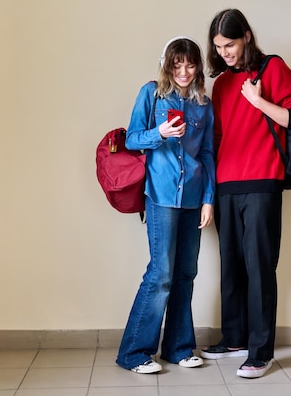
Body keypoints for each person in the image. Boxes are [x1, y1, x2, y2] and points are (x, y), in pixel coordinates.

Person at [200, 9, 291, 379]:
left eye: (229, 44)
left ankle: (260, 352)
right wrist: (210, 192)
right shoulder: (221, 84)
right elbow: (216, 141)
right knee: (231, 265)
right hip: (227, 184)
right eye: (218, 47)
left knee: (259, 267)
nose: (225, 52)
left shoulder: (272, 68)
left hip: (263, 181)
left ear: (246, 36)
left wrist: (259, 101)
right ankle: (235, 339)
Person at [115, 36, 216, 374]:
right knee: (161, 274)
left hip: (193, 196)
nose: (184, 71)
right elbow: (131, 138)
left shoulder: (204, 104)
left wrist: (208, 200)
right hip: (160, 196)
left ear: (197, 67)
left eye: (190, 64)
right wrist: (159, 131)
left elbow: (206, 155)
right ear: (167, 65)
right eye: (177, 64)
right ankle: (134, 353)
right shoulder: (151, 94)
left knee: (186, 273)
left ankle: (179, 348)